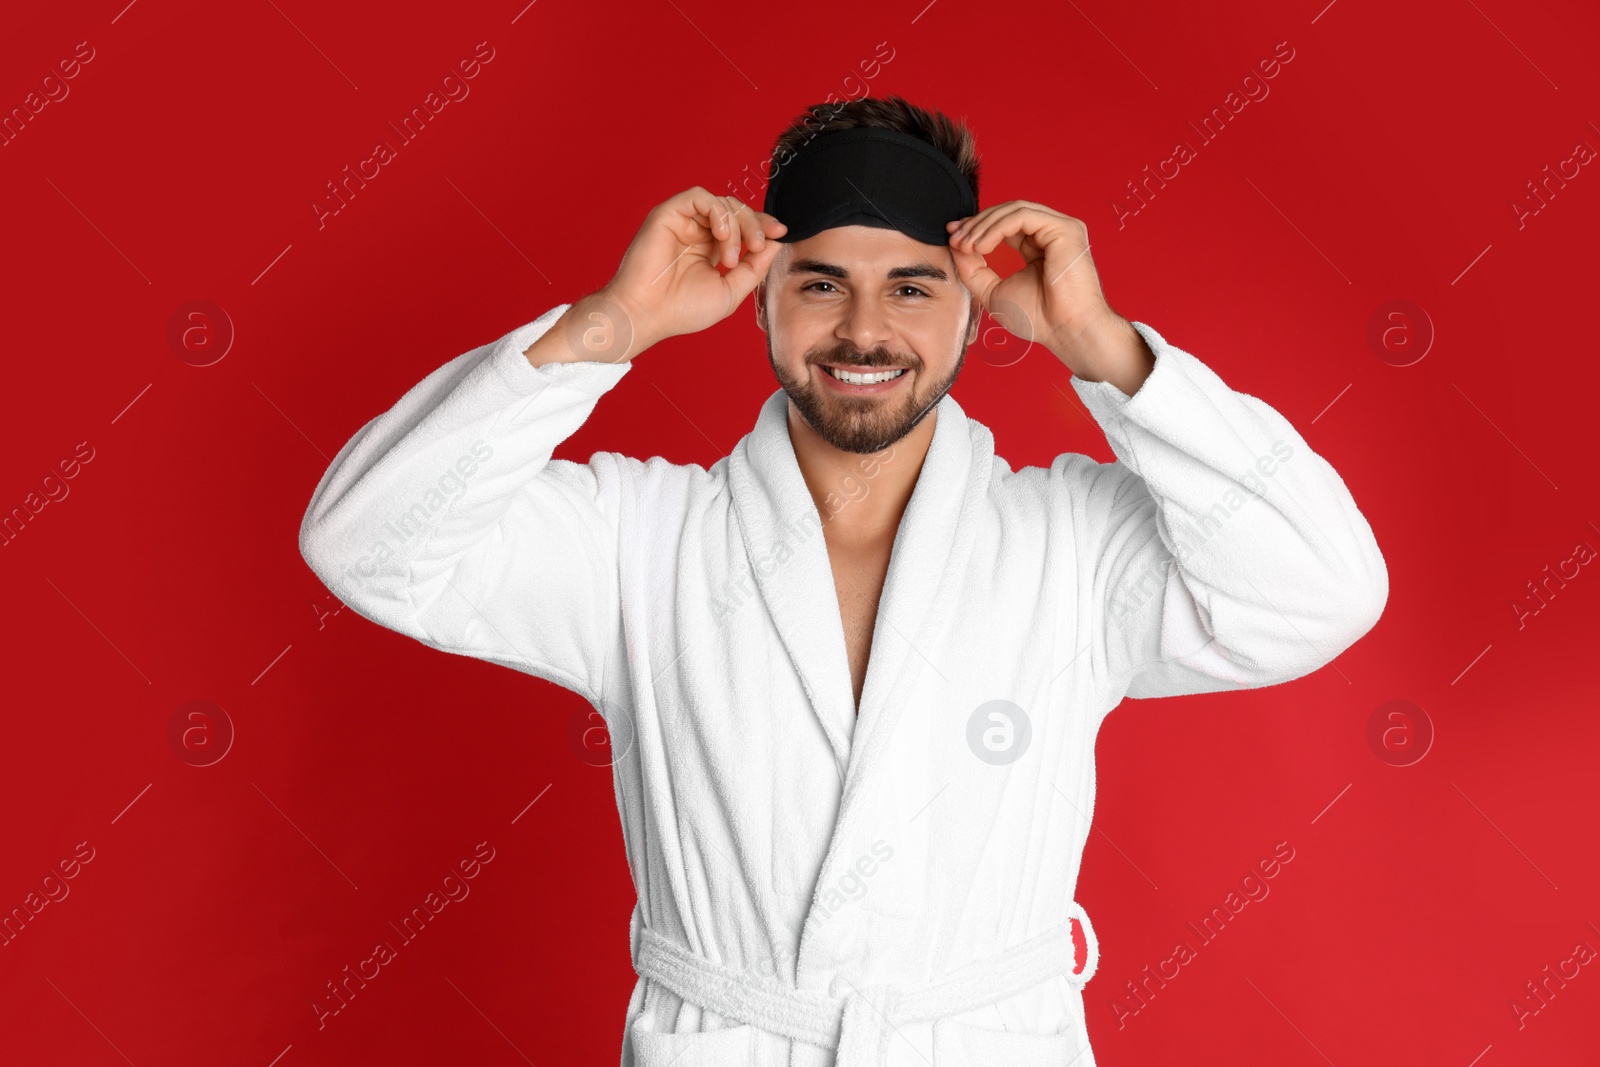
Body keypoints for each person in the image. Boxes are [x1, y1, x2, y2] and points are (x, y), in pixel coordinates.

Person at [298, 95, 1388, 1067]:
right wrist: (608, 325)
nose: (865, 331)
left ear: (973, 305)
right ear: (759, 296)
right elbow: (367, 540)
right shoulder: (641, 539)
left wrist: (1104, 348)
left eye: (910, 287)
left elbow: (1320, 588)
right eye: (821, 285)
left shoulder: (1069, 545)